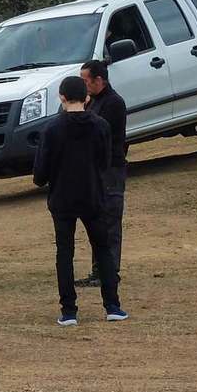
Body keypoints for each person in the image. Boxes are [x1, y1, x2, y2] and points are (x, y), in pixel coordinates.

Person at [32, 75, 127, 326]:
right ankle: (113, 305)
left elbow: (41, 172)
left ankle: (69, 311)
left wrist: (45, 178)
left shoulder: (51, 129)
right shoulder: (101, 126)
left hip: (62, 197)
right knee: (103, 248)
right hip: (93, 195)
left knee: (64, 253)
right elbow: (105, 162)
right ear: (86, 98)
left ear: (62, 97)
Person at [76, 59, 128, 288]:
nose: (83, 85)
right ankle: (99, 269)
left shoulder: (114, 103)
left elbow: (98, 132)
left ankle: (109, 270)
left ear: (99, 80)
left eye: (85, 80)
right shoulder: (92, 102)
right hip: (95, 170)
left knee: (110, 221)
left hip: (111, 169)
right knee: (97, 221)